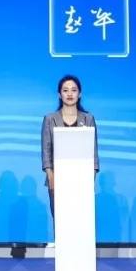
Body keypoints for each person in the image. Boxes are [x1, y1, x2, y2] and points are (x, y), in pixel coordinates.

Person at [40, 75, 99, 229]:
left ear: (79, 94)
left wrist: (91, 177)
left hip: (81, 178)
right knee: (61, 222)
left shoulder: (88, 119)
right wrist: (50, 175)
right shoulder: (50, 119)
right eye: (65, 90)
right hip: (57, 178)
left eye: (73, 90)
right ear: (59, 94)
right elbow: (46, 150)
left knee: (81, 223)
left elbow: (93, 151)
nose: (70, 94)